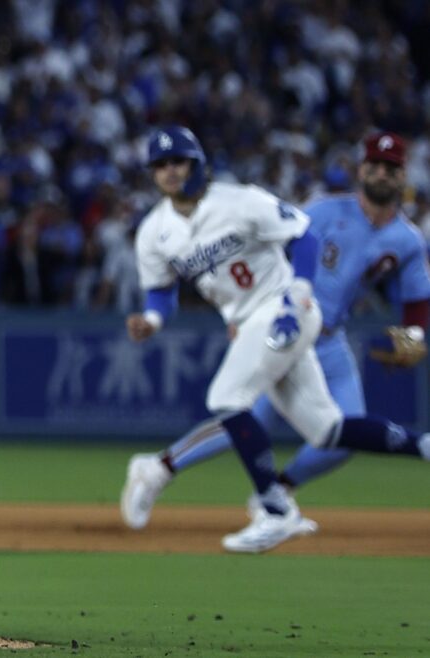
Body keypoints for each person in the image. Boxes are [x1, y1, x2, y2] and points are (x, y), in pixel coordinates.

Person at [124, 126, 430, 554]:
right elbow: (160, 291)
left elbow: (299, 237)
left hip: (289, 313)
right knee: (327, 431)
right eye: (160, 165)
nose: (170, 171)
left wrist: (300, 294)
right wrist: (153, 321)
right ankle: (422, 444)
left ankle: (271, 506)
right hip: (260, 319)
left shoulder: (239, 200)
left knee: (229, 399)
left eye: (178, 161)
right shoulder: (154, 231)